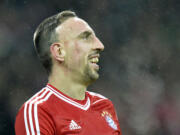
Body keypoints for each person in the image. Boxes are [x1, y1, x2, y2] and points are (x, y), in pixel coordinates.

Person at [15, 10, 121, 135]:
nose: (100, 45)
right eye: (86, 37)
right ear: (59, 52)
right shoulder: (38, 111)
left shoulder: (104, 105)